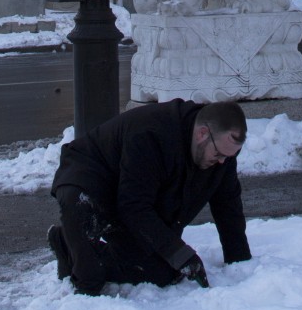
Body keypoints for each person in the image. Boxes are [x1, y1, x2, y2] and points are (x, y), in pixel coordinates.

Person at [47, 98, 250, 295]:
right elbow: (134, 207)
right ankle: (76, 247)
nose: (223, 162)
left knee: (163, 272)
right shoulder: (151, 134)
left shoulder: (220, 153)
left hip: (130, 193)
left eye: (229, 156)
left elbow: (228, 204)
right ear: (202, 133)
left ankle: (69, 245)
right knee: (89, 279)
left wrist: (238, 261)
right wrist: (179, 252)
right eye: (219, 154)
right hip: (89, 181)